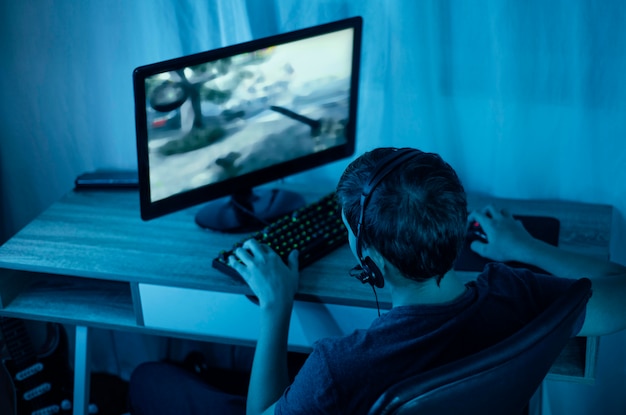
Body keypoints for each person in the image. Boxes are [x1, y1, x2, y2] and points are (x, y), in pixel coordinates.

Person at [129, 147, 626, 415]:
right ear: (457, 226)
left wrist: (275, 309)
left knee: (150, 381)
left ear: (369, 259)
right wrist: (525, 247)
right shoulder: (516, 292)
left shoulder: (338, 369)